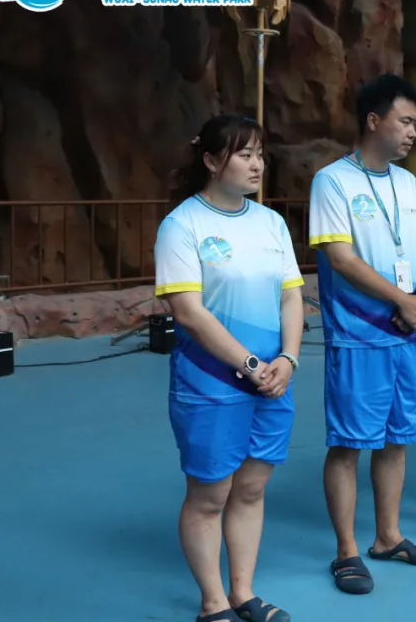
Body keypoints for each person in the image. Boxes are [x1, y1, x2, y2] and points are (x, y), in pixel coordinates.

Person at [154, 114, 303, 622]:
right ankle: (212, 602)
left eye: (260, 153)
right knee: (210, 494)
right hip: (211, 382)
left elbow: (292, 296)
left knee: (252, 487)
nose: (257, 164)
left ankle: (243, 592)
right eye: (245, 154)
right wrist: (250, 364)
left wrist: (288, 359)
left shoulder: (271, 223)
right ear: (212, 160)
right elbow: (188, 312)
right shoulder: (182, 226)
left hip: (272, 381)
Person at [309, 74, 416, 595]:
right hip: (359, 335)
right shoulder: (332, 181)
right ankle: (346, 551)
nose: (413, 132)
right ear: (373, 120)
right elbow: (340, 258)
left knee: (397, 439)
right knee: (348, 443)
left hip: (408, 332)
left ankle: (388, 536)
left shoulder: (407, 183)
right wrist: (401, 300)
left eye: (415, 123)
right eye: (405, 121)